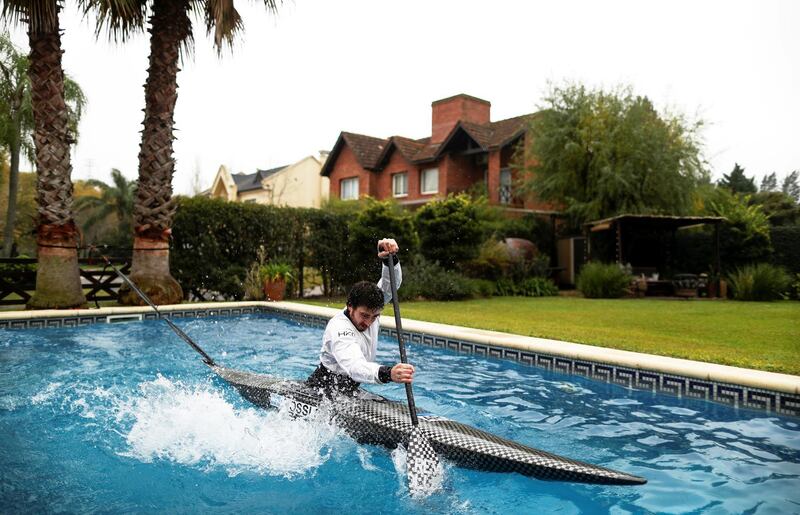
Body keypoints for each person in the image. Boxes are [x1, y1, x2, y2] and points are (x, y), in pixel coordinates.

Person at [306, 238, 414, 394]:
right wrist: (388, 373)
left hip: (351, 387)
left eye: (375, 316)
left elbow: (391, 286)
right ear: (350, 306)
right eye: (364, 315)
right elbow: (355, 367)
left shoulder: (371, 308)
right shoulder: (339, 329)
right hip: (323, 387)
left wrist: (389, 258)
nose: (369, 322)